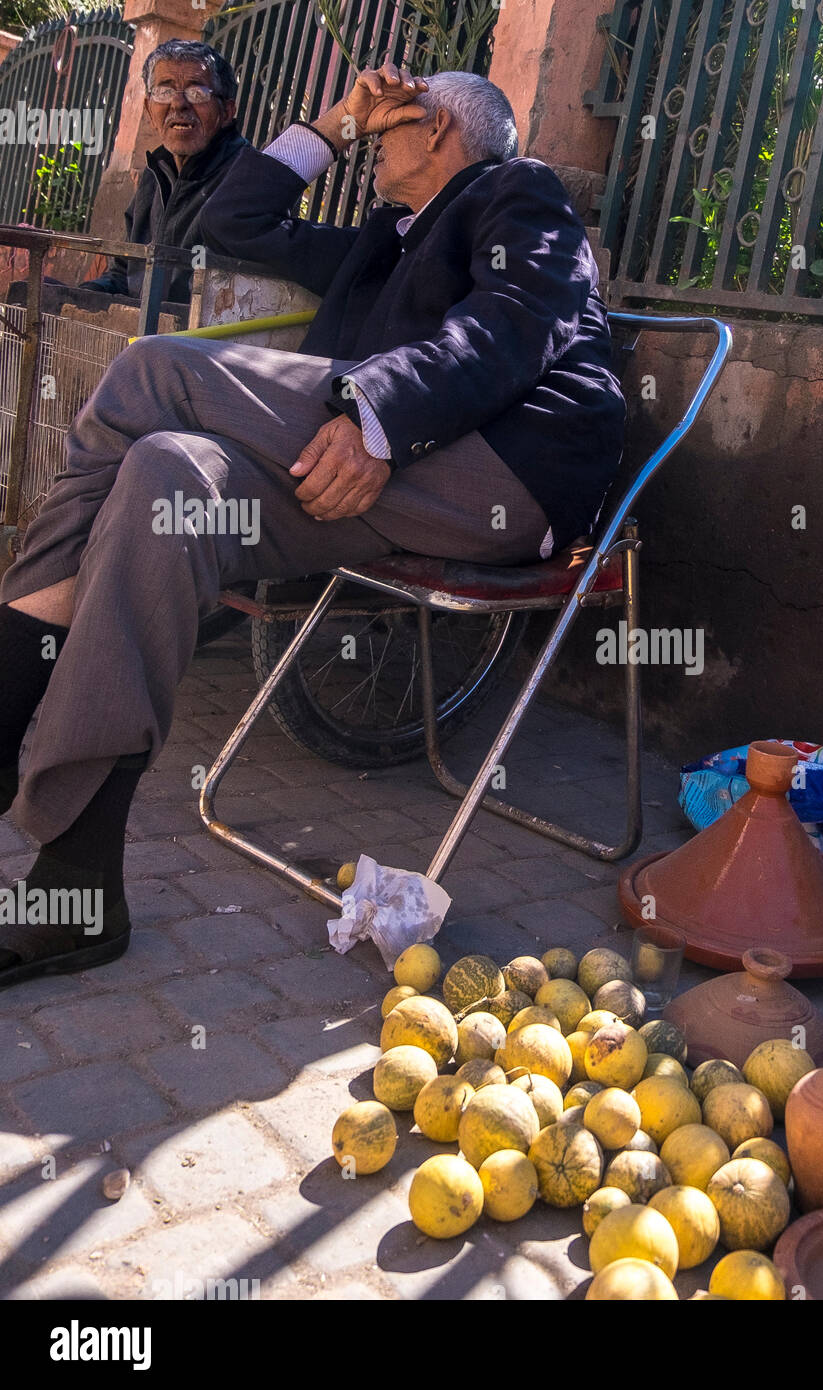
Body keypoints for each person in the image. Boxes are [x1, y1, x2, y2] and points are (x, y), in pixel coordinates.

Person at [0, 64, 625, 988]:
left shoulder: (515, 194)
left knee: (151, 371)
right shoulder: (383, 243)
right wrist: (335, 121)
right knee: (164, 476)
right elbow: (230, 222)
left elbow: (513, 324)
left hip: (502, 472)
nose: (372, 143)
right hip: (362, 485)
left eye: (387, 127)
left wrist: (376, 409)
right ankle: (79, 887)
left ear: (442, 129)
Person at [79, 39, 247, 302]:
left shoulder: (248, 178)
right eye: (164, 92)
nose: (178, 104)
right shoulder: (156, 173)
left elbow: (230, 300)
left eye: (197, 93)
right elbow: (126, 275)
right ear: (148, 108)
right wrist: (82, 296)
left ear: (227, 111)